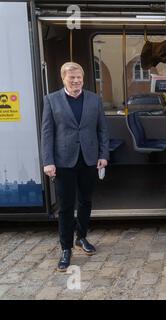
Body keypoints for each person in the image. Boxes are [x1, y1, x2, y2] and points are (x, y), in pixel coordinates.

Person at [41, 62, 109, 272]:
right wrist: (48, 161)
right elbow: (47, 133)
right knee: (66, 206)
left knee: (86, 201)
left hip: (89, 159)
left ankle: (81, 237)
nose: (76, 81)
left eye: (79, 77)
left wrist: (103, 155)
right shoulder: (51, 100)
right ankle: (66, 248)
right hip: (63, 161)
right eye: (72, 78)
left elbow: (102, 130)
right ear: (63, 79)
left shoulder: (94, 99)